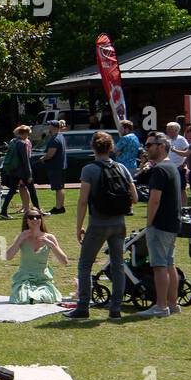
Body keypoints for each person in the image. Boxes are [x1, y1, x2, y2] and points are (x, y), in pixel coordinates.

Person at [70, 131, 132, 320]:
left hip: (97, 223)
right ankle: (115, 309)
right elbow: (134, 197)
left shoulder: (89, 169)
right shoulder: (121, 167)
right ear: (111, 147)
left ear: (93, 147)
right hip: (119, 223)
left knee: (85, 264)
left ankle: (83, 307)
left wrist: (79, 226)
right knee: (118, 265)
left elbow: (82, 201)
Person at [142, 132, 183, 317]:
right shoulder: (171, 166)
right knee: (169, 263)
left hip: (160, 224)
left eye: (150, 144)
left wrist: (149, 223)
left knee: (159, 266)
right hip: (172, 223)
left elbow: (154, 200)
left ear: (161, 146)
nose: (146, 147)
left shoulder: (159, 169)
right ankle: (173, 304)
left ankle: (161, 306)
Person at [5, 209, 69, 303]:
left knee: (43, 296)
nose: (35, 219)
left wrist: (52, 245)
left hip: (43, 280)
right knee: (23, 298)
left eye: (38, 217)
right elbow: (8, 257)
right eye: (31, 217)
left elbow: (64, 261)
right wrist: (19, 240)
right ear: (26, 220)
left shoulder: (49, 237)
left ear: (41, 219)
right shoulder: (22, 237)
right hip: (24, 279)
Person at [0, 125, 40, 219]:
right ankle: (38, 211)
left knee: (12, 191)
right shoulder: (22, 143)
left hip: (13, 170)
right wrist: (29, 174)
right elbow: (25, 160)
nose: (28, 136)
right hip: (22, 172)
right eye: (28, 134)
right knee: (32, 191)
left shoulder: (13, 141)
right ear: (24, 133)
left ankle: (3, 211)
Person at [41, 120, 69, 213]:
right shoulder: (60, 136)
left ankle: (58, 208)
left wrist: (43, 158)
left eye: (49, 125)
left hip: (56, 167)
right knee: (60, 187)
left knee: (58, 188)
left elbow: (50, 154)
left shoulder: (55, 139)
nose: (48, 127)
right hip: (61, 166)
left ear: (53, 127)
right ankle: (60, 206)